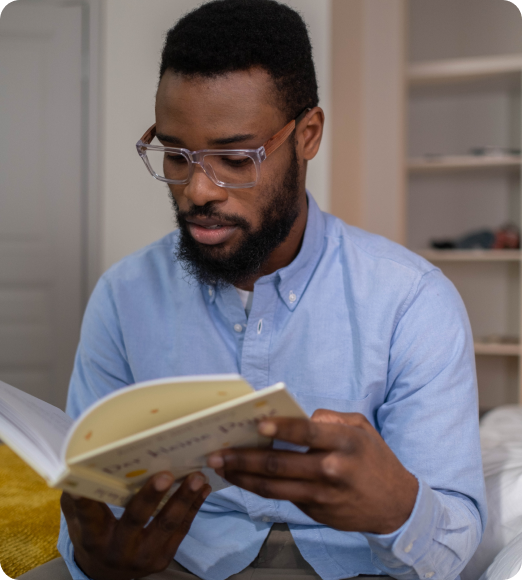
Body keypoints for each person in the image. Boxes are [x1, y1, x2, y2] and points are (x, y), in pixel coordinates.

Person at [19, 1, 486, 579]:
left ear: (308, 135)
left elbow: (453, 544)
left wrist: (397, 508)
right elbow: (92, 500)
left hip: (357, 565)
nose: (197, 190)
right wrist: (95, 559)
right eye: (175, 154)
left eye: (236, 159)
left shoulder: (413, 301)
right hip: (178, 560)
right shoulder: (123, 296)